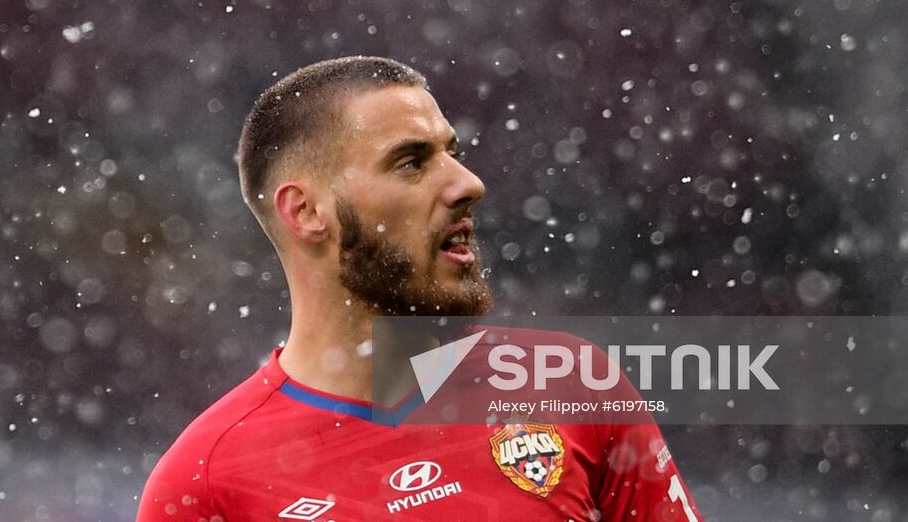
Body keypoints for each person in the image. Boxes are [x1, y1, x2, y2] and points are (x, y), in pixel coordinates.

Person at [137, 56, 703, 521]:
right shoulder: (208, 483)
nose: (468, 184)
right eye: (411, 163)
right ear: (306, 212)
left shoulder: (571, 384)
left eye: (452, 154)